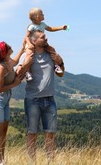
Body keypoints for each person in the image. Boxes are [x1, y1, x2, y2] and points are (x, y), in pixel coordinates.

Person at [22, 30, 65, 162]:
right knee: (32, 134)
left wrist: (60, 62)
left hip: (50, 100)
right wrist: (25, 64)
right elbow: (21, 72)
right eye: (42, 37)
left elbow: (61, 74)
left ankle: (50, 162)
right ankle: (31, 162)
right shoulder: (29, 55)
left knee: (50, 135)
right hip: (33, 100)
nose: (46, 38)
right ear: (34, 41)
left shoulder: (51, 53)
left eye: (45, 36)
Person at [0, 41, 26, 165]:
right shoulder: (1, 67)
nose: (10, 47)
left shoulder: (8, 62)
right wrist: (15, 84)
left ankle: (2, 161)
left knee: (3, 132)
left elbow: (16, 61)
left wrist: (23, 48)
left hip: (4, 99)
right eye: (8, 47)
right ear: (5, 52)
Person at [23, 8, 67, 81]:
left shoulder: (43, 24)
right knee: (29, 54)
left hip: (41, 43)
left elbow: (51, 29)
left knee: (52, 50)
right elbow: (26, 37)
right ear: (37, 17)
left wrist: (61, 28)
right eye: (42, 14)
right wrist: (29, 44)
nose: (43, 15)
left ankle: (56, 66)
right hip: (32, 43)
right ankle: (28, 72)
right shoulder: (32, 26)